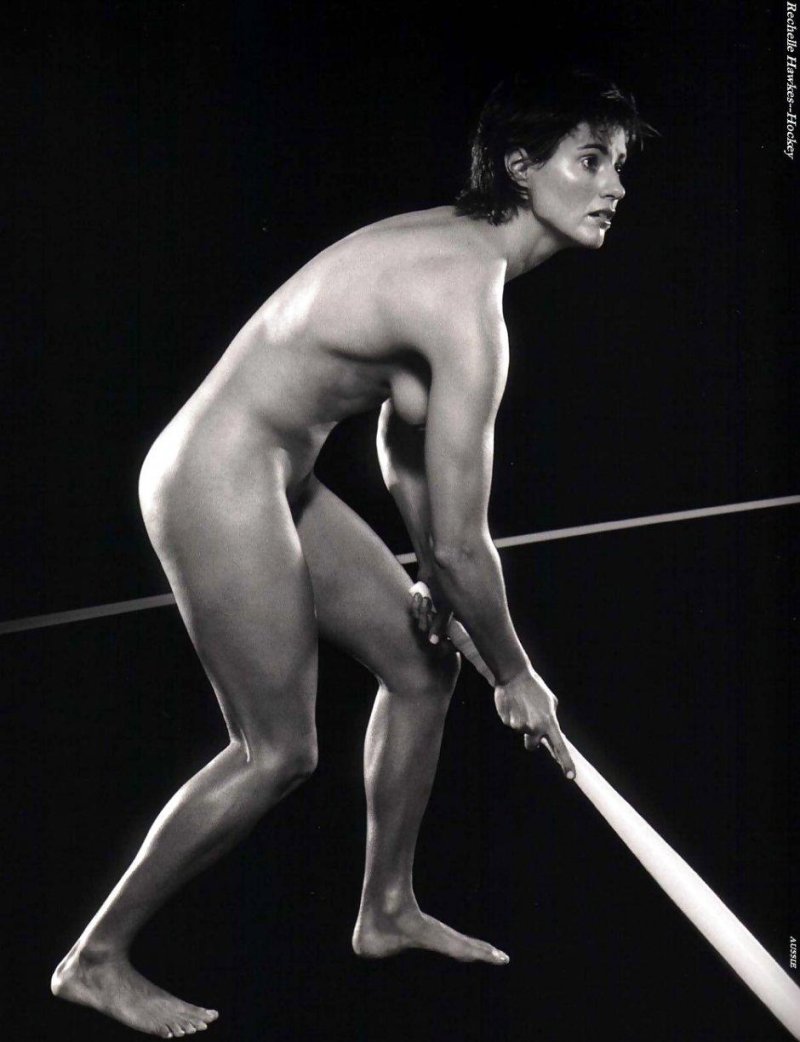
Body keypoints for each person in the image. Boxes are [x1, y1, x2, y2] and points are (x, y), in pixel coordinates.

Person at [51, 69, 651, 1038]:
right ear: (519, 166)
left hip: (272, 471)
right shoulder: (466, 298)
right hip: (214, 475)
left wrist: (442, 590)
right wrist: (516, 673)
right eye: (590, 160)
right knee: (278, 751)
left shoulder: (459, 259)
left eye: (617, 164)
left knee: (421, 667)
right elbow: (460, 541)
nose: (614, 185)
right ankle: (95, 958)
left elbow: (398, 440)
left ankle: (386, 911)